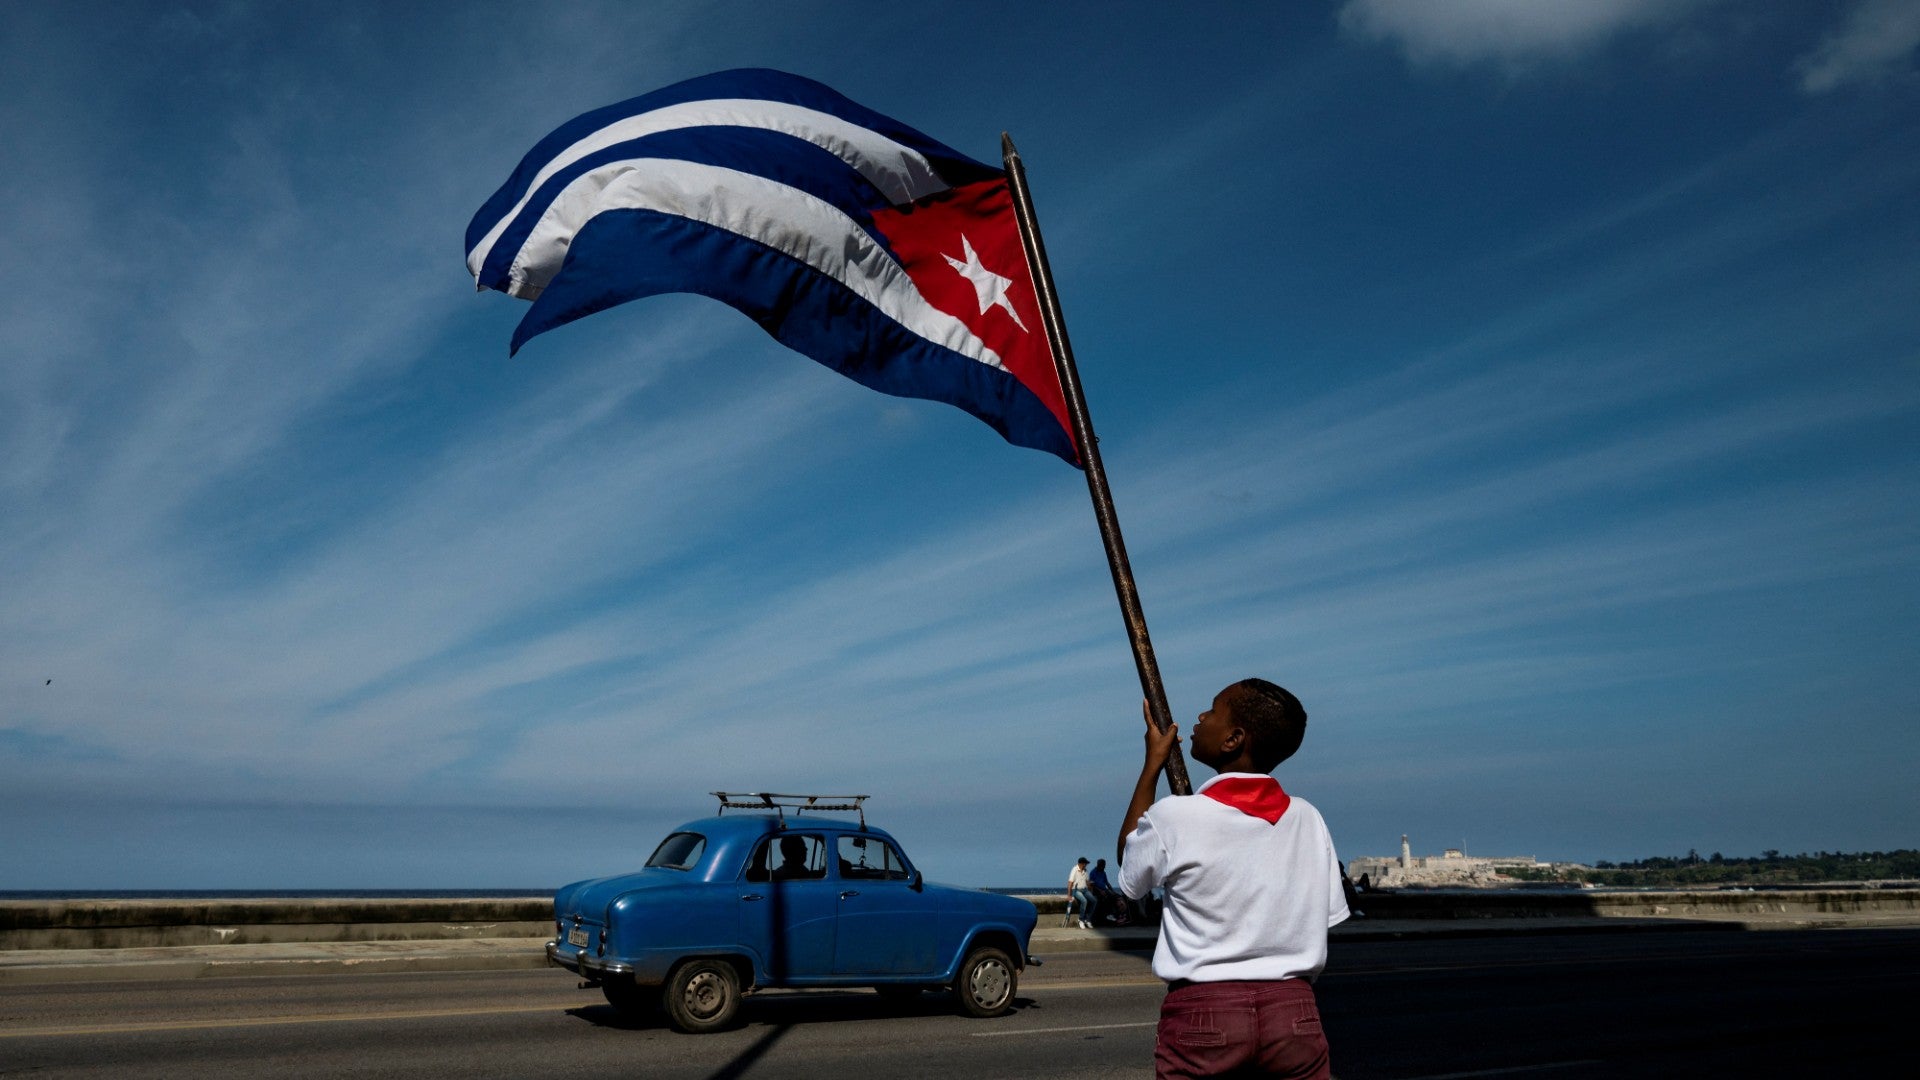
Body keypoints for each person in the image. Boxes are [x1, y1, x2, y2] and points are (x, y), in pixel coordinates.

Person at [1117, 680, 1348, 1080]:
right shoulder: (1308, 818)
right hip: (1294, 1013)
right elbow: (1323, 917)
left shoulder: (1175, 816)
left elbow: (1130, 870)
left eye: (1212, 710)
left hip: (1205, 1011)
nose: (1201, 717)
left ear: (1233, 739)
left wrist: (1152, 764)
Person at [1066, 856, 1096, 929]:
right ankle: (1081, 919)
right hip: (1076, 890)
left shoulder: (1085, 871)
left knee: (1094, 901)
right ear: (1081, 864)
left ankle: (1087, 919)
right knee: (1084, 901)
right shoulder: (1074, 870)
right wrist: (1069, 895)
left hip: (1085, 889)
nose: (1085, 865)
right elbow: (1070, 883)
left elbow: (1087, 882)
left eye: (1086, 864)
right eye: (1085, 864)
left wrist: (1091, 891)